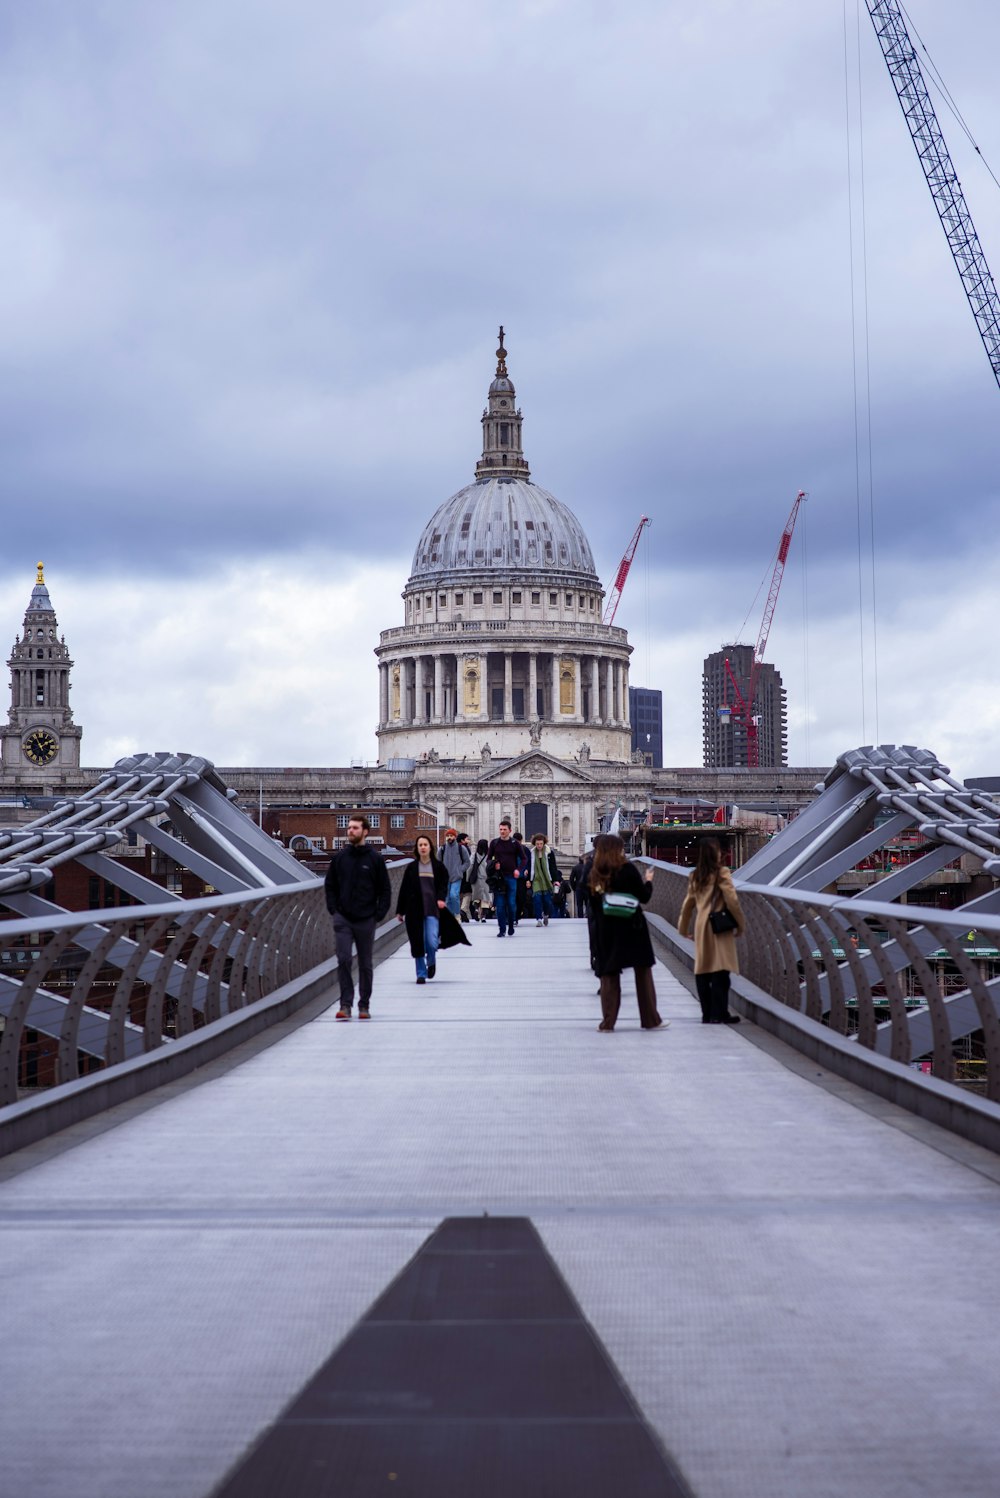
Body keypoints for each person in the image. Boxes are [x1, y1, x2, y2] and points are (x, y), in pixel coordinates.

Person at [588, 833, 666, 1032]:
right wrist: (648, 880)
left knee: (609, 974)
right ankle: (650, 1019)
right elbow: (644, 897)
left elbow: (594, 902)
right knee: (643, 972)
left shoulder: (596, 872)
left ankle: (607, 1023)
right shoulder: (627, 869)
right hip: (632, 927)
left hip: (607, 929)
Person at [324, 812, 391, 1020]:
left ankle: (364, 1005)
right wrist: (334, 911)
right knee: (343, 959)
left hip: (366, 918)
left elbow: (385, 889)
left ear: (365, 832)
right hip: (343, 918)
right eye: (349, 827)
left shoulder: (375, 859)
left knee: (365, 963)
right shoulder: (340, 858)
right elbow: (330, 885)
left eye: (354, 828)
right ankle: (345, 1004)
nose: (349, 830)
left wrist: (377, 915)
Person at [677, 836, 745, 1024]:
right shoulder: (722, 873)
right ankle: (720, 1012)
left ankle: (707, 1014)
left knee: (703, 969)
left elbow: (688, 905)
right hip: (719, 925)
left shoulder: (695, 874)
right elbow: (732, 901)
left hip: (701, 924)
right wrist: (740, 924)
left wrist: (683, 929)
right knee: (721, 971)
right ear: (715, 853)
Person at [396, 835, 471, 983]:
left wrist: (441, 899)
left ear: (430, 847)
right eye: (420, 845)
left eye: (425, 844)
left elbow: (443, 885)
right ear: (417, 849)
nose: (423, 847)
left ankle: (431, 961)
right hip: (414, 910)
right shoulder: (412, 868)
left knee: (431, 941)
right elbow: (404, 889)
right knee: (417, 941)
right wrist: (400, 910)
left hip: (432, 910)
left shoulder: (438, 867)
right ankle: (421, 974)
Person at [487, 818, 525, 938]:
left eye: (504, 829)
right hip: (499, 878)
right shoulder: (494, 843)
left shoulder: (515, 844)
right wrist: (493, 864)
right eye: (500, 829)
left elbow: (524, 859)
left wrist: (518, 870)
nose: (502, 831)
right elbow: (488, 858)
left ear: (510, 830)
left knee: (511, 903)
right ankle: (502, 929)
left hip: (511, 877)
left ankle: (511, 925)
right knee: (500, 904)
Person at [527, 833, 561, 926]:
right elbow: (529, 866)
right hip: (536, 879)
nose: (539, 846)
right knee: (537, 900)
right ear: (535, 843)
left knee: (547, 901)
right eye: (537, 844)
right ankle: (538, 919)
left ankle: (546, 914)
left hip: (547, 879)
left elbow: (553, 867)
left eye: (541, 844)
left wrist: (556, 880)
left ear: (544, 843)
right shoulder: (531, 853)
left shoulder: (549, 852)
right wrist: (528, 880)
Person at [438, 828, 471, 918]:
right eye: (448, 836)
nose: (449, 837)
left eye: (451, 836)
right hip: (445, 878)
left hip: (456, 876)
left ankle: (457, 914)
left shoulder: (461, 848)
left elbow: (467, 862)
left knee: (454, 895)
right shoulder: (442, 848)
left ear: (455, 837)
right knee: (447, 898)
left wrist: (460, 870)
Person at [467, 837, 491, 921]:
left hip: (476, 878)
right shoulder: (489, 856)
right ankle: (483, 916)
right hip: (487, 879)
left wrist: (468, 877)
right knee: (485, 898)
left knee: (476, 896)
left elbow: (470, 866)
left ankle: (476, 909)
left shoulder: (474, 855)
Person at [456, 831, 474, 922]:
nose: (469, 840)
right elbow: (468, 863)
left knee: (460, 893)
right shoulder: (465, 849)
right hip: (465, 873)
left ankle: (462, 915)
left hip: (456, 874)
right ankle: (463, 910)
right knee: (468, 893)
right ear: (462, 840)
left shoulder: (454, 848)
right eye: (467, 839)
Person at [568, 853, 591, 920]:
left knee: (579, 905)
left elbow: (571, 879)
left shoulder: (575, 867)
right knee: (587, 904)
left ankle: (580, 918)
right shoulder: (588, 867)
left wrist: (574, 887)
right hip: (587, 887)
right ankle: (587, 916)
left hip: (579, 888)